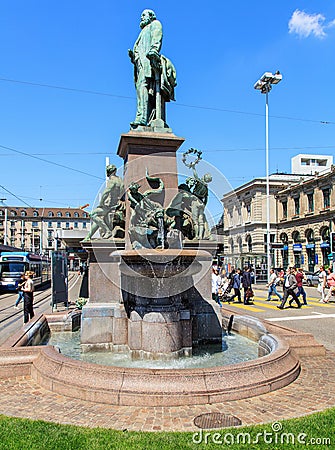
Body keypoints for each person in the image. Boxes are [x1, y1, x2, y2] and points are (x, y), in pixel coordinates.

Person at [128, 9, 176, 128]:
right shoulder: (143, 31)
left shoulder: (155, 24)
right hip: (140, 65)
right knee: (141, 90)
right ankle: (143, 116)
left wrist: (154, 50)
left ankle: (142, 117)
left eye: (143, 15)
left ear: (151, 16)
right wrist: (134, 56)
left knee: (143, 88)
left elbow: (156, 38)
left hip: (148, 63)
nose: (141, 18)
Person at [83, 164, 124, 241]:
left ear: (108, 172)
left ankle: (107, 231)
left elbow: (106, 192)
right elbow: (122, 191)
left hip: (110, 205)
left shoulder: (112, 180)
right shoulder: (120, 180)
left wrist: (101, 203)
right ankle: (88, 236)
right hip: (118, 203)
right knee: (99, 219)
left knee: (93, 214)